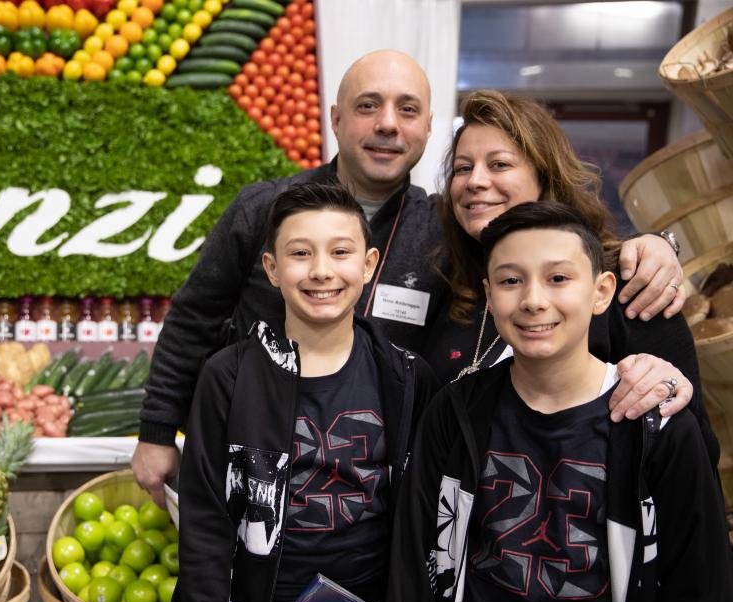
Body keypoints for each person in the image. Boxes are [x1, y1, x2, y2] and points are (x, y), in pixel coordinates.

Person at [133, 54, 684, 507]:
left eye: (408, 110)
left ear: (424, 129)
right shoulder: (263, 210)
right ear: (336, 119)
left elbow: (558, 242)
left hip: (377, 480)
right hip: (251, 455)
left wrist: (659, 245)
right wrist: (157, 432)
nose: (388, 124)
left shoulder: (442, 230)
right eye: (367, 106)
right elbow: (193, 319)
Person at [381, 201, 733, 602]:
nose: (532, 300)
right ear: (489, 294)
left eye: (558, 278)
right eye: (510, 280)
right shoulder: (457, 410)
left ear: (602, 291)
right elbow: (413, 560)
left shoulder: (653, 423)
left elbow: (700, 598)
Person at [171, 182, 437, 602]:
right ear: (272, 269)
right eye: (300, 253)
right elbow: (204, 528)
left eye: (340, 252)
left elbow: (423, 524)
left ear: (369, 264)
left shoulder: (405, 376)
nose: (321, 271)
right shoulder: (228, 377)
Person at [423, 90, 718, 461]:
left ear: (544, 178)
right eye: (463, 168)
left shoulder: (629, 285)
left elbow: (694, 454)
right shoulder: (453, 284)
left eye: (499, 165)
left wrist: (668, 389)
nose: (475, 181)